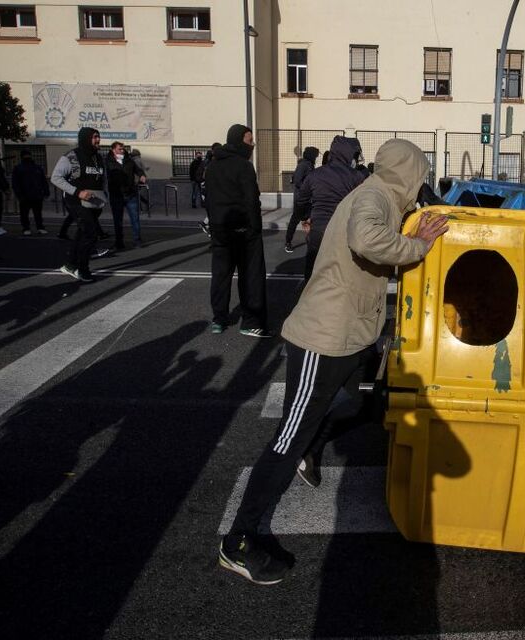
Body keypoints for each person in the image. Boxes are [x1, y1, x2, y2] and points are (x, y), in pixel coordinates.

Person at [219, 138, 449, 585]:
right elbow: (367, 240)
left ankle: (311, 446)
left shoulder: (383, 195)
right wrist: (416, 245)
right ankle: (239, 541)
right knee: (286, 441)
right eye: (420, 173)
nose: (422, 182)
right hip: (322, 340)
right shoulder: (373, 197)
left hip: (351, 339)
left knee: (367, 402)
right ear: (409, 171)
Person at [206, 124, 272, 338]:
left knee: (220, 275)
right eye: (249, 140)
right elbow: (251, 200)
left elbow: (209, 199)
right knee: (251, 276)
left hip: (220, 230)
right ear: (237, 141)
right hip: (244, 231)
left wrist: (215, 224)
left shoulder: (213, 166)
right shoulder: (243, 166)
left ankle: (219, 319)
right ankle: (251, 321)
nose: (252, 144)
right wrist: (255, 228)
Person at [295, 136, 368, 280]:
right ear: (348, 155)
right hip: (342, 233)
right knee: (339, 278)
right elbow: (364, 205)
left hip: (317, 232)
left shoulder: (315, 174)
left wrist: (304, 218)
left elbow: (300, 200)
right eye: (354, 155)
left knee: (312, 276)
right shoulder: (357, 177)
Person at [51, 127, 108, 283]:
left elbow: (102, 179)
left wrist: (104, 196)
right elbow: (56, 178)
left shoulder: (98, 158)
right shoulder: (71, 157)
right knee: (90, 234)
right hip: (75, 201)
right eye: (95, 137)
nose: (98, 140)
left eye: (99, 137)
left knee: (82, 234)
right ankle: (82, 269)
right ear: (86, 138)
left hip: (94, 202)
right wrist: (77, 192)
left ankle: (70, 265)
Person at [105, 141, 147, 250]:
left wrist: (142, 175)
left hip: (130, 194)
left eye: (123, 149)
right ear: (113, 150)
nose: (122, 151)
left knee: (135, 219)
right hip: (116, 195)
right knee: (117, 220)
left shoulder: (129, 160)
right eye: (120, 149)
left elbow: (138, 170)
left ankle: (137, 241)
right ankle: (119, 243)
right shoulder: (108, 161)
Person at [284, 146, 319, 253]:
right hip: (301, 200)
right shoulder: (303, 165)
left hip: (308, 200)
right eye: (315, 156)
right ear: (311, 155)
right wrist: (307, 189)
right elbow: (297, 181)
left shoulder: (309, 165)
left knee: (312, 220)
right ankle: (288, 242)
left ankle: (314, 243)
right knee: (294, 221)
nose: (316, 158)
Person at [11, 149, 50, 235]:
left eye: (28, 155)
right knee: (25, 213)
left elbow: (43, 180)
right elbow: (15, 183)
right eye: (26, 155)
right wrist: (19, 195)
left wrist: (46, 191)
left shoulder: (37, 167)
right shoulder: (18, 168)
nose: (27, 157)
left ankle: (39, 227)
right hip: (25, 195)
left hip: (36, 194)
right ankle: (26, 228)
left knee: (37, 213)